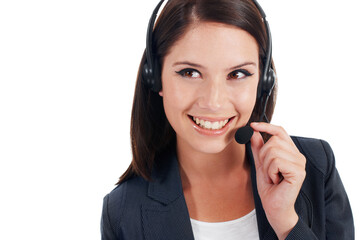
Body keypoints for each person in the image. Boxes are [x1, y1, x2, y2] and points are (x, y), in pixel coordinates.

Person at [101, 0, 354, 239]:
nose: (214, 102)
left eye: (238, 74)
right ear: (155, 78)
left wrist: (287, 224)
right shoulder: (123, 211)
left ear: (263, 82)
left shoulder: (316, 168)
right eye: (190, 72)